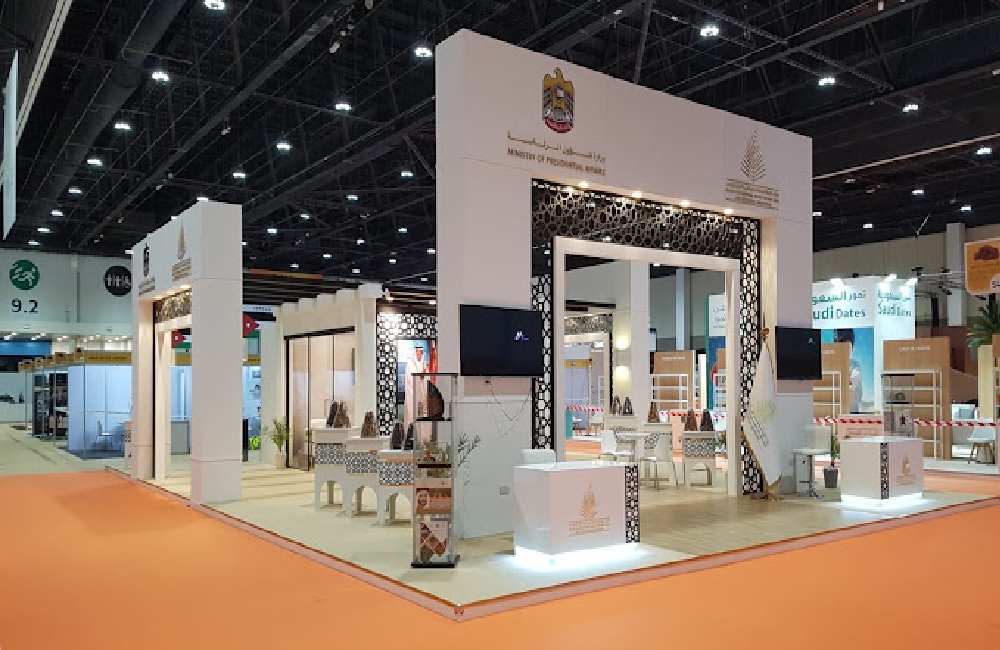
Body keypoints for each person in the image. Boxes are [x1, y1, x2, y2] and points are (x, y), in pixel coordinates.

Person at [834, 329, 863, 412]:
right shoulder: (831, 364)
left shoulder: (855, 367)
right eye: (836, 341)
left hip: (851, 414)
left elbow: (849, 386)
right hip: (834, 413)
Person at [403, 344, 428, 429]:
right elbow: (410, 378)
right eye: (417, 353)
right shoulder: (410, 364)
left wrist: (424, 375)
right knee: (412, 413)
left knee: (422, 413)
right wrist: (420, 376)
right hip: (412, 393)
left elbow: (426, 379)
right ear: (415, 353)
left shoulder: (424, 364)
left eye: (421, 353)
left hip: (422, 393)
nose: (419, 355)